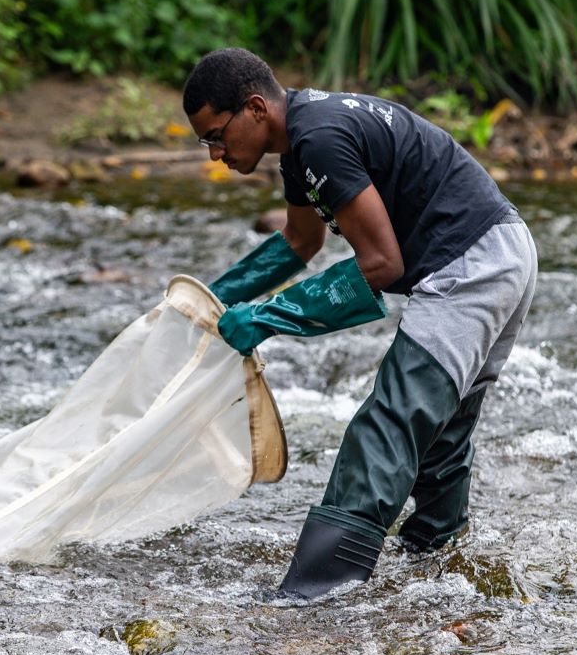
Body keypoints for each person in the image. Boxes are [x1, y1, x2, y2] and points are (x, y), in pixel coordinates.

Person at [182, 48, 538, 600]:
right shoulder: (305, 141)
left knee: (389, 422)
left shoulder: (318, 139)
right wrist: (212, 300)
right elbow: (301, 242)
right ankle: (439, 573)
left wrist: (268, 317)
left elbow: (381, 265)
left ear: (254, 108)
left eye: (216, 135)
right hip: (504, 249)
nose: (215, 153)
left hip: (471, 263)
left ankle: (315, 591)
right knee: (440, 435)